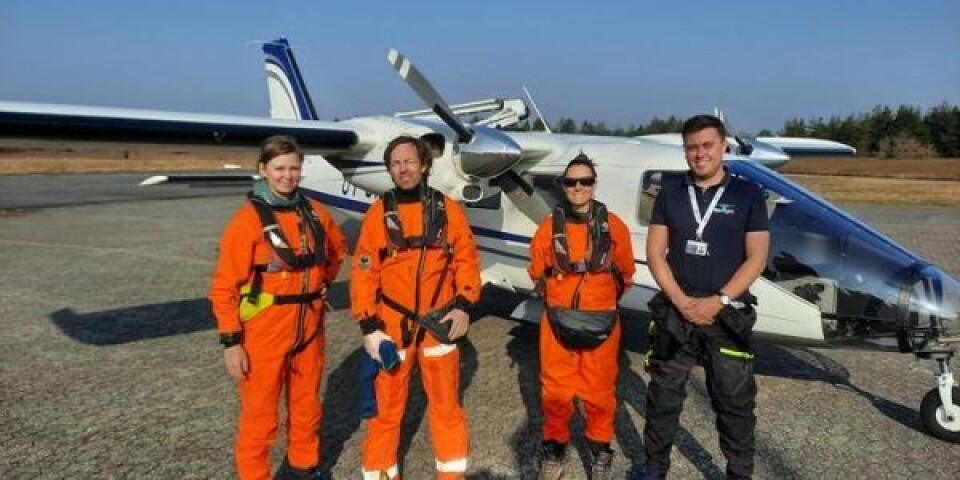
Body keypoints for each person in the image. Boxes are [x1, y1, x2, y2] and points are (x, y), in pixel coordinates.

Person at [209, 135, 347, 480]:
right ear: (263, 170)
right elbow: (224, 286)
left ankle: (303, 470)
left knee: (307, 409)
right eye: (279, 168)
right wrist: (232, 341)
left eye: (294, 168)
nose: (287, 175)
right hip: (264, 333)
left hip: (310, 329)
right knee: (260, 418)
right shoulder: (247, 222)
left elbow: (336, 249)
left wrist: (320, 284)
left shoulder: (316, 213)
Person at [641, 115, 770, 479]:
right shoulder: (669, 194)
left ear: (723, 145)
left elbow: (757, 256)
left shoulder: (748, 194)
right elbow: (655, 254)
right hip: (675, 314)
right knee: (662, 399)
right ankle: (654, 468)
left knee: (735, 403)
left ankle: (739, 473)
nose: (699, 154)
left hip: (725, 316)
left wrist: (720, 300)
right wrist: (682, 302)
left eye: (707, 145)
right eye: (692, 147)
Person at [350, 135, 481, 480]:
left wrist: (465, 305)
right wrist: (368, 327)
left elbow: (466, 260)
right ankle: (381, 473)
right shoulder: (379, 214)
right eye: (395, 163)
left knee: (446, 408)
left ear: (424, 165)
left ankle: (451, 474)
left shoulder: (448, 210)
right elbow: (364, 271)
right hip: (392, 327)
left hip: (440, 325)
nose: (403, 169)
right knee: (386, 411)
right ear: (389, 169)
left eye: (409, 161)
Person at [528, 154, 636, 480]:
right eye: (571, 181)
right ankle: (554, 452)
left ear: (594, 185)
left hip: (601, 322)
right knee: (555, 392)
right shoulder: (549, 227)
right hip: (557, 322)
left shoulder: (614, 226)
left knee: (600, 393)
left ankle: (600, 453)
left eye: (584, 181)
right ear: (563, 185)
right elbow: (537, 271)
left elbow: (626, 272)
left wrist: (597, 300)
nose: (578, 187)